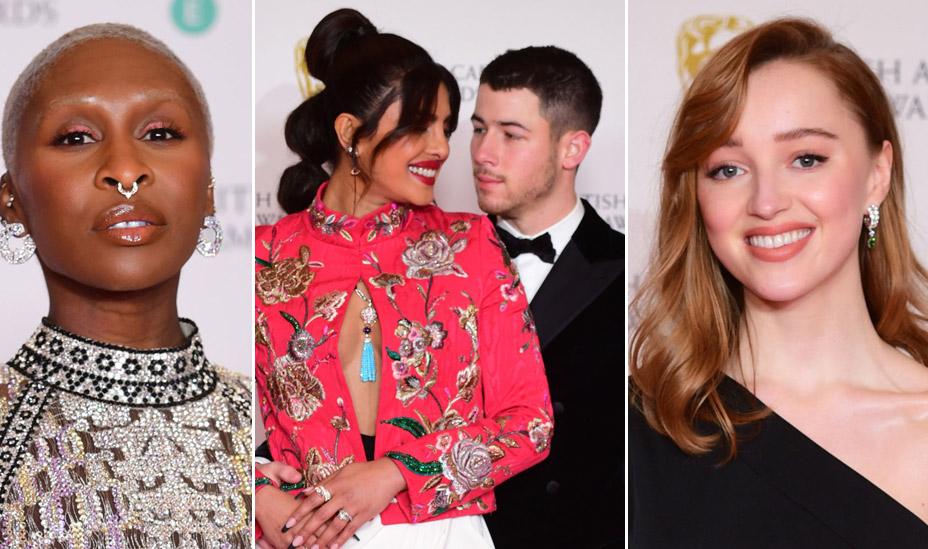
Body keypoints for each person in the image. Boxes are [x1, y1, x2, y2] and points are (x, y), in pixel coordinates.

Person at [253, 8, 553, 549]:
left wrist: (396, 472)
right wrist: (254, 492)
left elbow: (529, 423)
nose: (440, 148)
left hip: (444, 534)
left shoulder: (471, 245)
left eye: (445, 127)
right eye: (418, 127)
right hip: (306, 536)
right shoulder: (265, 258)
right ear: (351, 133)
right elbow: (194, 420)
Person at [630, 18, 928, 548]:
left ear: (877, 174)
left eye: (806, 158)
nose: (766, 202)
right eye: (728, 169)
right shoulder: (643, 432)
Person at [0, 23, 251, 547]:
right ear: (11, 199)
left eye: (160, 134)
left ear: (208, 190)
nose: (126, 171)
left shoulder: (270, 425)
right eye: (76, 138)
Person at [470, 46, 624, 547]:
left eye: (511, 135)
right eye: (478, 129)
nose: (482, 154)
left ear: (572, 149)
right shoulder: (434, 264)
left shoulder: (633, 274)